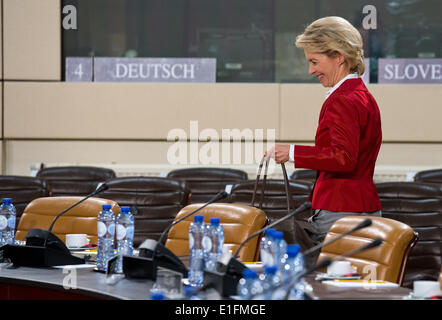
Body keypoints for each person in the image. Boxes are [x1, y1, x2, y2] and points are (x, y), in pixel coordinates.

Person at [266, 16, 382, 255]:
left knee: (327, 286)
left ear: (339, 56)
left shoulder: (342, 100)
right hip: (362, 207)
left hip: (340, 211)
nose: (311, 70)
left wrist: (291, 152)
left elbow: (343, 158)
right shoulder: (362, 95)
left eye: (315, 61)